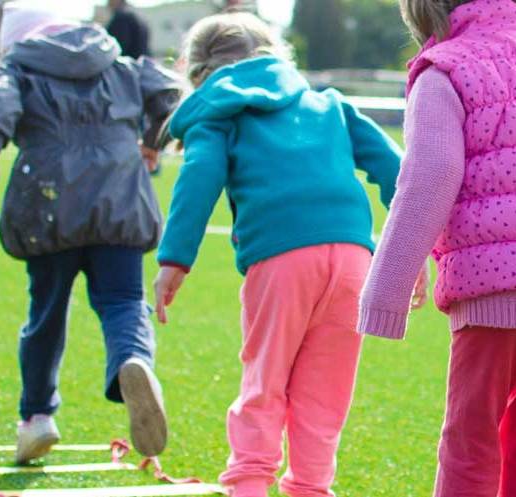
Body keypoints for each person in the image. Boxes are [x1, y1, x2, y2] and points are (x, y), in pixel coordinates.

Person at [153, 13, 403, 497]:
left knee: (265, 382)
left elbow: (198, 178)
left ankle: (248, 483)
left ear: (198, 72)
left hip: (282, 259)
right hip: (354, 258)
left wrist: (174, 259)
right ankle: (309, 487)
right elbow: (397, 169)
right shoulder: (328, 103)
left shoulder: (216, 113)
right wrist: (405, 249)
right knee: (325, 392)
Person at [0, 2, 180, 464]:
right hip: (122, 201)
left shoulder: (19, 67)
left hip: (49, 206)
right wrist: (152, 140)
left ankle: (37, 417)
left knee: (46, 312)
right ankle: (133, 360)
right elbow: (167, 92)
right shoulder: (118, 62)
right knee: (124, 301)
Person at [358, 1, 516, 496]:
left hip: (494, 291)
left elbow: (431, 176)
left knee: (471, 442)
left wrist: (383, 295)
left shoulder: (447, 67)